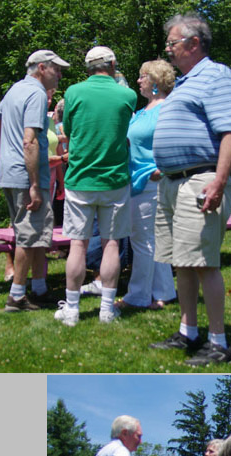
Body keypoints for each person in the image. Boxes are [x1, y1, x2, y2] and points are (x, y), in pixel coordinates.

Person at [149, 12, 231, 366]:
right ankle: (188, 331)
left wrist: (218, 180)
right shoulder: (186, 82)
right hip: (174, 182)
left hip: (201, 180)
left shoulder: (216, 76)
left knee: (204, 263)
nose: (168, 50)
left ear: (193, 43)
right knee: (183, 263)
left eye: (172, 43)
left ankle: (219, 342)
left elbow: (230, 131)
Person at [52, 46, 136, 327]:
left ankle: (73, 310)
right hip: (115, 180)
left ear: (87, 67)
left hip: (80, 179)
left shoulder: (73, 93)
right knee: (112, 243)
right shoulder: (127, 95)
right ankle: (107, 310)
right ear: (112, 64)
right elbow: (123, 130)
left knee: (78, 244)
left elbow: (71, 131)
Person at [0, 50, 69, 311]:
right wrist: (35, 184)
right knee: (27, 236)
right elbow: (30, 140)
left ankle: (40, 288)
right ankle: (17, 296)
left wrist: (3, 157)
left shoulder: (15, 90)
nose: (60, 74)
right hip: (27, 176)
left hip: (11, 173)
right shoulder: (35, 94)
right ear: (42, 68)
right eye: (57, 69)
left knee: (34, 233)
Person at [108, 59, 178, 311]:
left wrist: (164, 168)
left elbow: (177, 140)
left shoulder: (168, 108)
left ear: (155, 81)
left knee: (143, 240)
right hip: (137, 181)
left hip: (152, 181)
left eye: (142, 76)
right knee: (153, 240)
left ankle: (137, 296)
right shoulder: (145, 110)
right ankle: (165, 292)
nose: (138, 80)